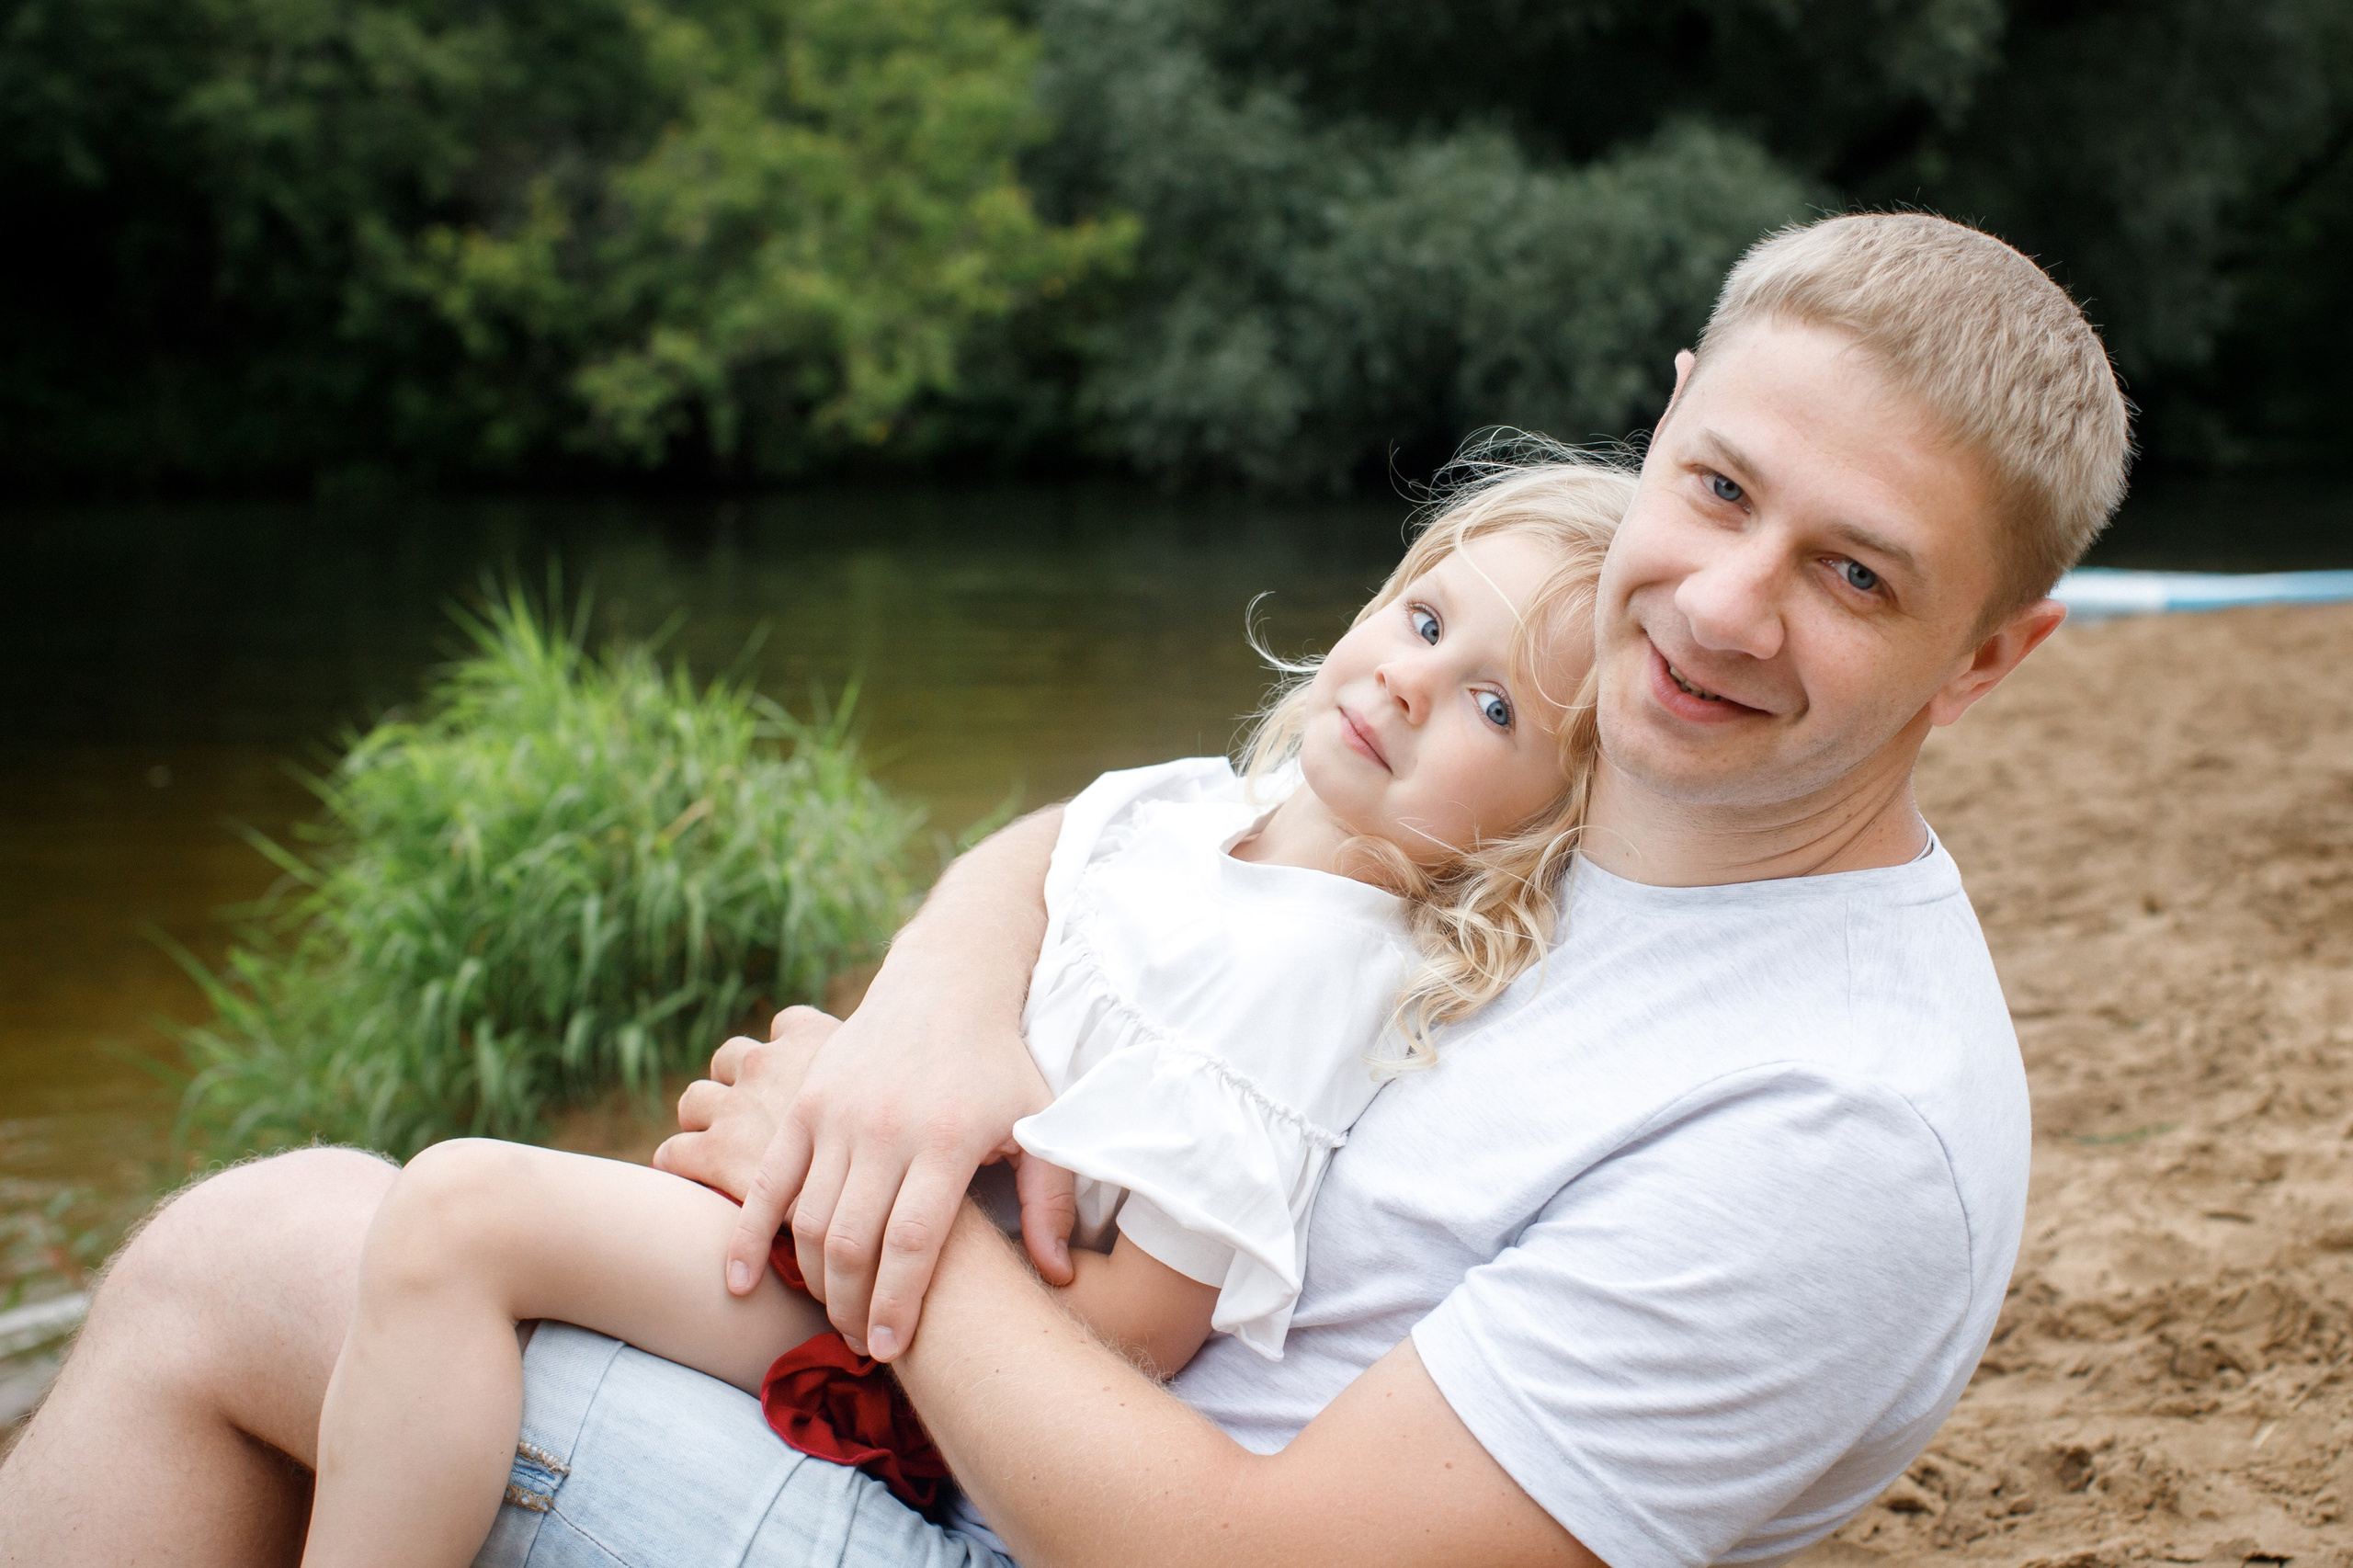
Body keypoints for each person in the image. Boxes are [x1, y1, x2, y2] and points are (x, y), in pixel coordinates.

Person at [0, 210, 2132, 1568]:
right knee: (356, 1310)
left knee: (247, 1260)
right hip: (976, 1423)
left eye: (1851, 573)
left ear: (1991, 655)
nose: (1725, 606)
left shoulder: (1834, 1124)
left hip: (1031, 1523)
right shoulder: (1598, 774)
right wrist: (936, 1016)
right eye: (1719, 490)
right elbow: (1162, 842)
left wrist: (884, 1224)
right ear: (1662, 424)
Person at [293, 463, 1631, 1568]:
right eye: (1427, 620)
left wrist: (856, 1213)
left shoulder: (1320, 975)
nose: (1413, 678)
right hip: (862, 1239)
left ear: (1540, 828)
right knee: (460, 1230)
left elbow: (1139, 1332)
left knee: (455, 1213)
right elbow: (997, 939)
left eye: (1495, 705)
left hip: (906, 1334)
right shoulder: (1189, 805)